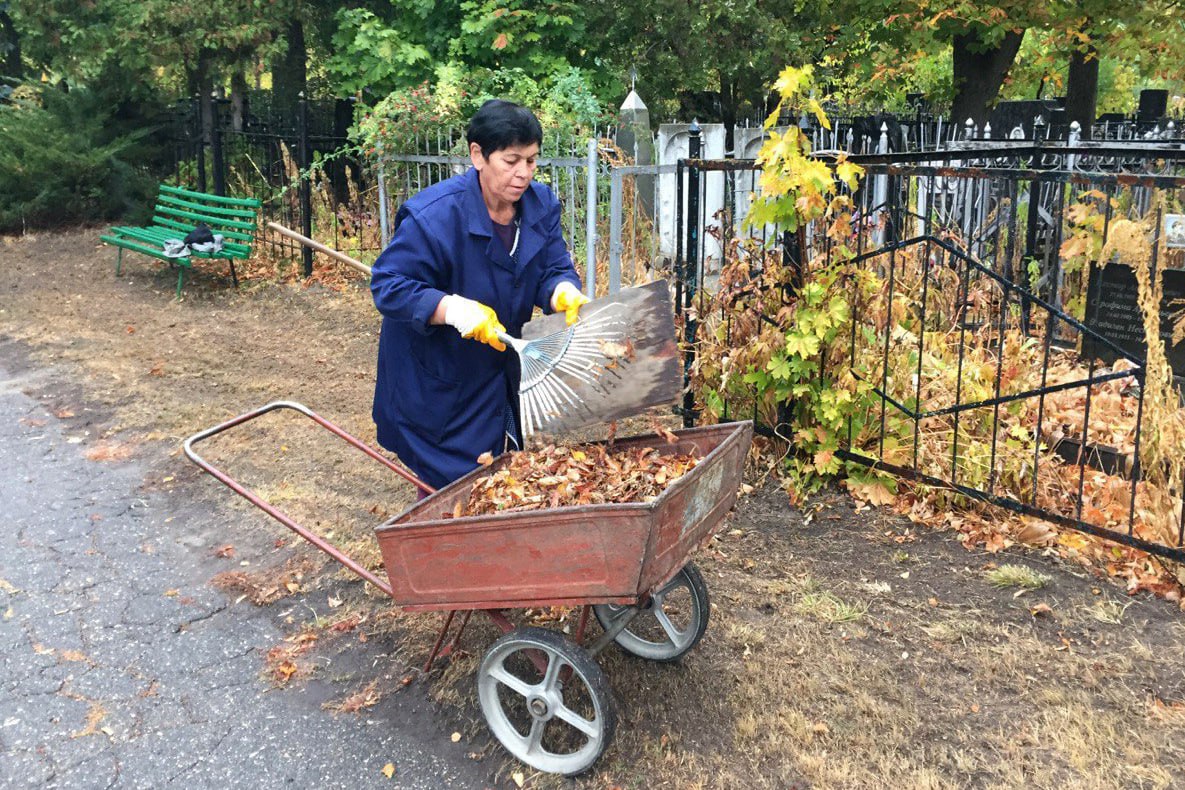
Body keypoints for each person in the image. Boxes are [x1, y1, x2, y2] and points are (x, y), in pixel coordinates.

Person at [370, 99, 589, 491]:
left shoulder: (540, 206)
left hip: (499, 373)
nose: (523, 174)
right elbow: (389, 285)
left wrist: (563, 291)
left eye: (532, 161)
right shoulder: (434, 216)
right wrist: (449, 308)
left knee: (498, 479)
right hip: (440, 383)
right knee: (448, 490)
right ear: (478, 155)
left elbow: (551, 267)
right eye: (511, 160)